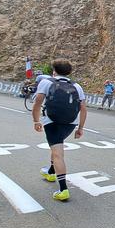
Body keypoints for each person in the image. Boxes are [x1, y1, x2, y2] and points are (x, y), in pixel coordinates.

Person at [33, 59, 87, 201]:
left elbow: (38, 102)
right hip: (70, 123)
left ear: (54, 70)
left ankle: (63, 189)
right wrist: (80, 128)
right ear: (69, 72)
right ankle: (51, 172)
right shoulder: (77, 86)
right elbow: (83, 109)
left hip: (52, 122)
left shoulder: (47, 82)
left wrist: (36, 120)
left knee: (58, 154)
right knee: (57, 144)